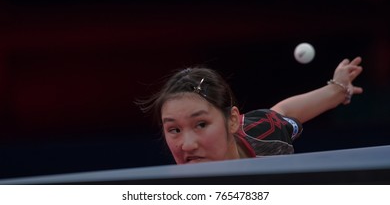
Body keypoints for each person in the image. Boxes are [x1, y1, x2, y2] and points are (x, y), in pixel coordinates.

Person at [137, 56, 363, 164]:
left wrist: (337, 90)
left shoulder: (264, 135)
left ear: (233, 120)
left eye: (201, 124)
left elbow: (283, 112)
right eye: (174, 129)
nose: (187, 145)